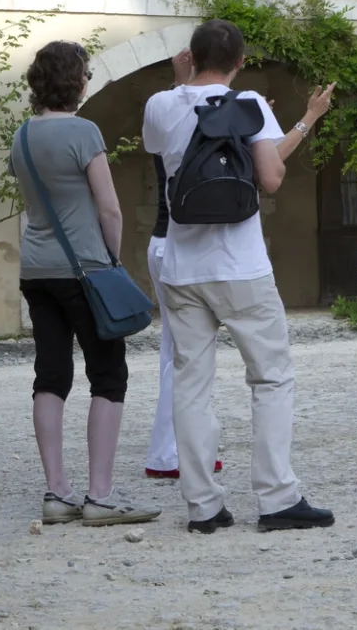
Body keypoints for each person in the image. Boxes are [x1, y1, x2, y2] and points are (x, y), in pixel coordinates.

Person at [143, 20, 336, 534]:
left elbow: (161, 147)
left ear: (190, 55)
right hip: (241, 265)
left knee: (190, 383)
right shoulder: (249, 103)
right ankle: (276, 497)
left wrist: (181, 78)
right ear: (241, 62)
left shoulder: (160, 105)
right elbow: (271, 179)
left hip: (183, 267)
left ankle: (203, 506)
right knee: (271, 377)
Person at [11, 40, 160, 527]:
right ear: (76, 82)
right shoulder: (84, 132)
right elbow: (109, 207)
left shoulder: (22, 136)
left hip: (37, 270)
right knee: (108, 375)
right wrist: (111, 261)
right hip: (85, 269)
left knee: (50, 375)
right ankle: (99, 496)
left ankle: (57, 492)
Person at [141, 154, 217, 481]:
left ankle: (182, 448)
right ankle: (167, 453)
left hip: (166, 243)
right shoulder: (190, 123)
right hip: (178, 247)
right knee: (185, 353)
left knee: (178, 350)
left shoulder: (168, 119)